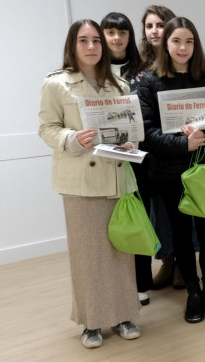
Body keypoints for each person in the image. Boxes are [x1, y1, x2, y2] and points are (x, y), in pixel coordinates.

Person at [39, 19, 140, 348]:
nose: (92, 46)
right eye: (84, 40)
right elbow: (47, 128)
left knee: (120, 250)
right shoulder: (57, 84)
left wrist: (130, 144)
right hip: (80, 180)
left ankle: (125, 314)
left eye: (96, 40)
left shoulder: (120, 86)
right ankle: (92, 321)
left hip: (115, 176)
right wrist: (72, 138)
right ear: (73, 45)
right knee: (87, 255)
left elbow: (131, 131)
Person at [138, 17, 205, 323]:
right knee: (180, 236)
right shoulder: (150, 81)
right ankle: (192, 291)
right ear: (166, 44)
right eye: (176, 41)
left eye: (189, 41)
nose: (183, 48)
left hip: (204, 168)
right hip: (169, 172)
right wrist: (183, 145)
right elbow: (147, 133)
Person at [100, 12, 152, 306]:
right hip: (104, 157)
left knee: (137, 218)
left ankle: (139, 283)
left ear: (130, 37)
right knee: (106, 221)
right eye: (110, 32)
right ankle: (111, 283)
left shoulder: (142, 70)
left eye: (122, 32)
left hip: (138, 155)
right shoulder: (95, 69)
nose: (116, 38)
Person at [137, 5, 180, 290]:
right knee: (156, 212)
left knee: (178, 208)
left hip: (176, 147)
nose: (154, 30)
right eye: (149, 25)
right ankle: (167, 261)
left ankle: (182, 262)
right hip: (144, 149)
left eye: (160, 24)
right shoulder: (136, 63)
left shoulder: (179, 60)